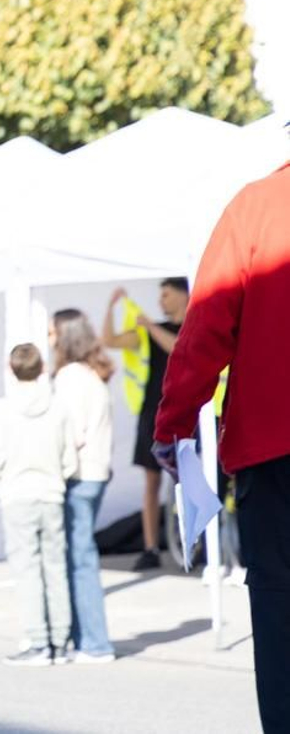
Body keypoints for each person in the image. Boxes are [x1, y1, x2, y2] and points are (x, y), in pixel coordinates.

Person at [151, 162, 290, 733]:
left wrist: (175, 425)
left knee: (280, 615)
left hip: (272, 449)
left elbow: (207, 323)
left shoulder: (257, 206)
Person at [0, 343, 78, 666]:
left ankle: (38, 640)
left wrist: (1, 483)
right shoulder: (59, 408)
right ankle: (60, 640)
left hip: (17, 493)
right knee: (55, 566)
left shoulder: (2, 410)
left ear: (11, 369)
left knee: (27, 569)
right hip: (51, 491)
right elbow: (70, 457)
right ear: (42, 368)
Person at [101, 278, 188, 571]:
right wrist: (113, 307)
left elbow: (178, 348)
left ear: (182, 295)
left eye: (166, 294)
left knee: (188, 481)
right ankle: (151, 546)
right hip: (152, 413)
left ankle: (194, 544)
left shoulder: (190, 327)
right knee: (151, 481)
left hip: (185, 413)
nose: (161, 301)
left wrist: (151, 325)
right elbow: (110, 341)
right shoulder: (151, 331)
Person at [49, 308, 116, 663]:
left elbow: (70, 433)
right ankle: (86, 638)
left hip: (79, 475)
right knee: (81, 556)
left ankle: (93, 641)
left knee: (80, 560)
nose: (49, 340)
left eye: (52, 332)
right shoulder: (92, 373)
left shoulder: (70, 376)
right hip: (96, 472)